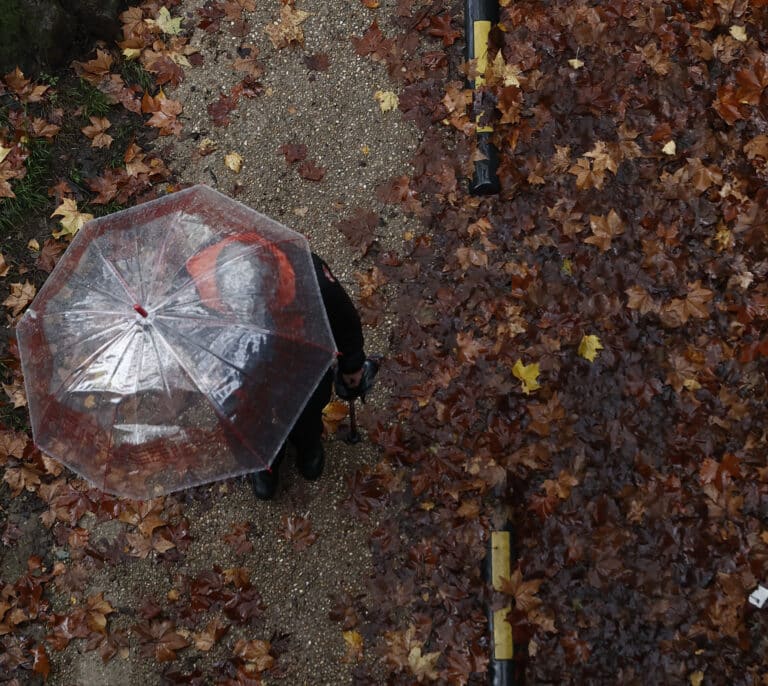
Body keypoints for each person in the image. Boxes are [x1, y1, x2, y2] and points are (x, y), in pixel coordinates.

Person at [185, 233, 366, 500]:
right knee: (241, 416)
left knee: (307, 400)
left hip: (297, 347)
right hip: (234, 356)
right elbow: (184, 326)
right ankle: (263, 462)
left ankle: (307, 443)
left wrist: (352, 363)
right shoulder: (196, 283)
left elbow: (343, 317)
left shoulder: (308, 275)